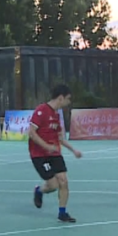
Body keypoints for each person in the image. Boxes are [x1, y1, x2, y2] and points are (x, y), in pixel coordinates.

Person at [29, 84, 82, 223]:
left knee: (63, 181)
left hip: (54, 153)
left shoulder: (56, 116)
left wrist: (73, 150)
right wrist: (46, 146)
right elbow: (32, 133)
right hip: (39, 155)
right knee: (53, 185)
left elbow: (60, 138)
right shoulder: (41, 111)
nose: (69, 102)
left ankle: (62, 213)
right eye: (68, 99)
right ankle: (39, 191)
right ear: (60, 98)